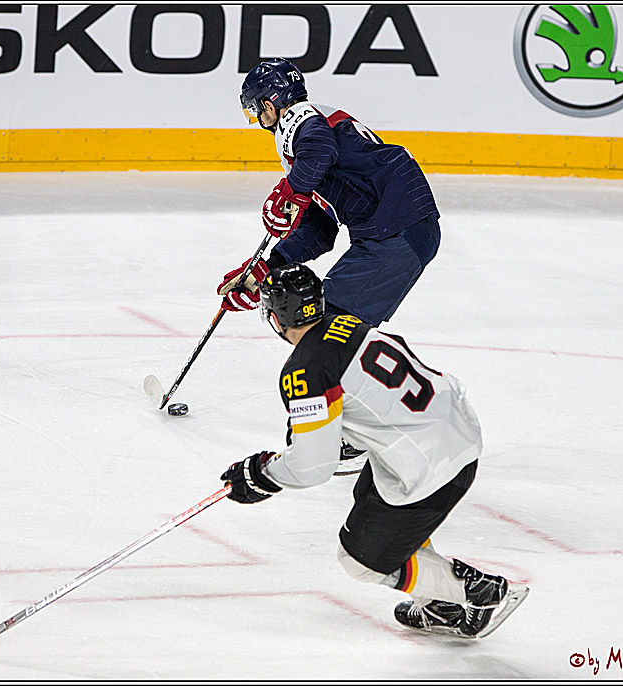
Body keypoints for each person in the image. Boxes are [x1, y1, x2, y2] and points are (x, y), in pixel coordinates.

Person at [218, 263, 528, 638]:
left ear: (277, 318)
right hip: (449, 430)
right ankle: (438, 606)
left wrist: (262, 474)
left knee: (360, 560)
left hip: (433, 467)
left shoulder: (306, 370)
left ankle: (478, 594)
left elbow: (313, 466)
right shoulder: (345, 321)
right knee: (369, 500)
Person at [217, 56, 443, 472]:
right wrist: (264, 270)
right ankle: (357, 425)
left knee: (327, 324)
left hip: (398, 232)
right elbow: (320, 231)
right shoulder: (306, 144)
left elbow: (318, 147)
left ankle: (353, 436)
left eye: (256, 111)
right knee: (332, 322)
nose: (258, 121)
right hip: (394, 232)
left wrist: (291, 189)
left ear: (271, 102)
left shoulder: (303, 122)